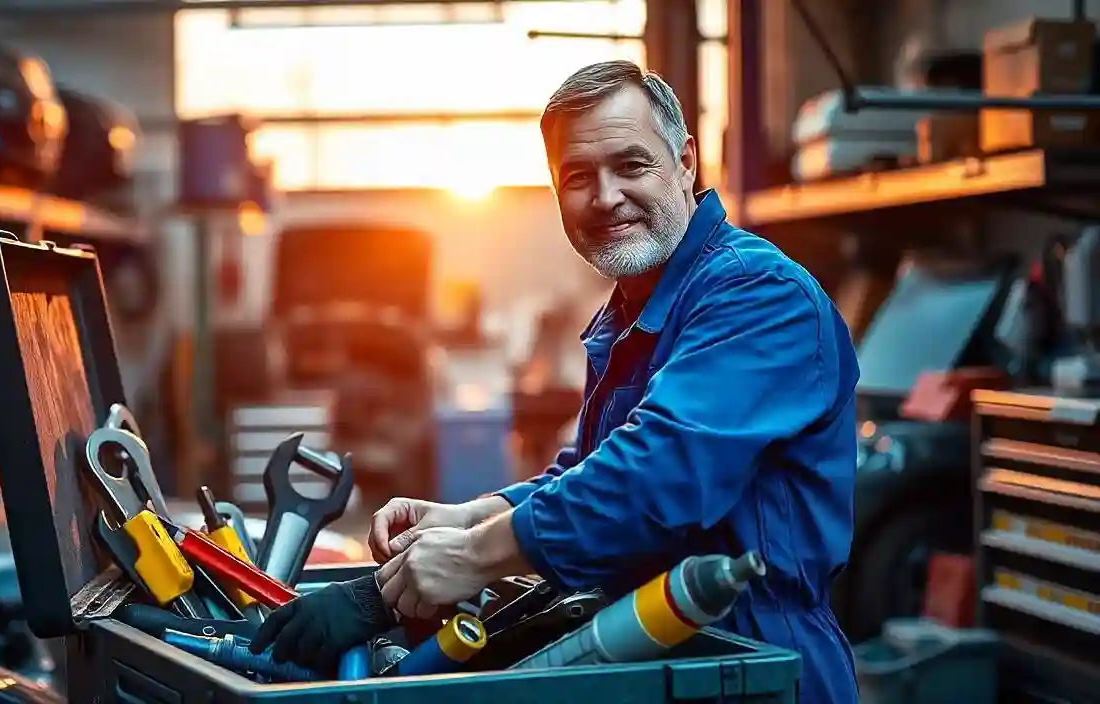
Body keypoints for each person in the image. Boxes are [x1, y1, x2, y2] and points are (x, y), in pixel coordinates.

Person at [250, 60, 860, 704]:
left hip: (755, 663)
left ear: (685, 163)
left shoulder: (756, 295)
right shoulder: (633, 311)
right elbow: (591, 471)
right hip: (650, 656)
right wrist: (469, 517)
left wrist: (471, 557)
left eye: (631, 166)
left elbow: (650, 481)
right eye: (578, 177)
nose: (605, 197)